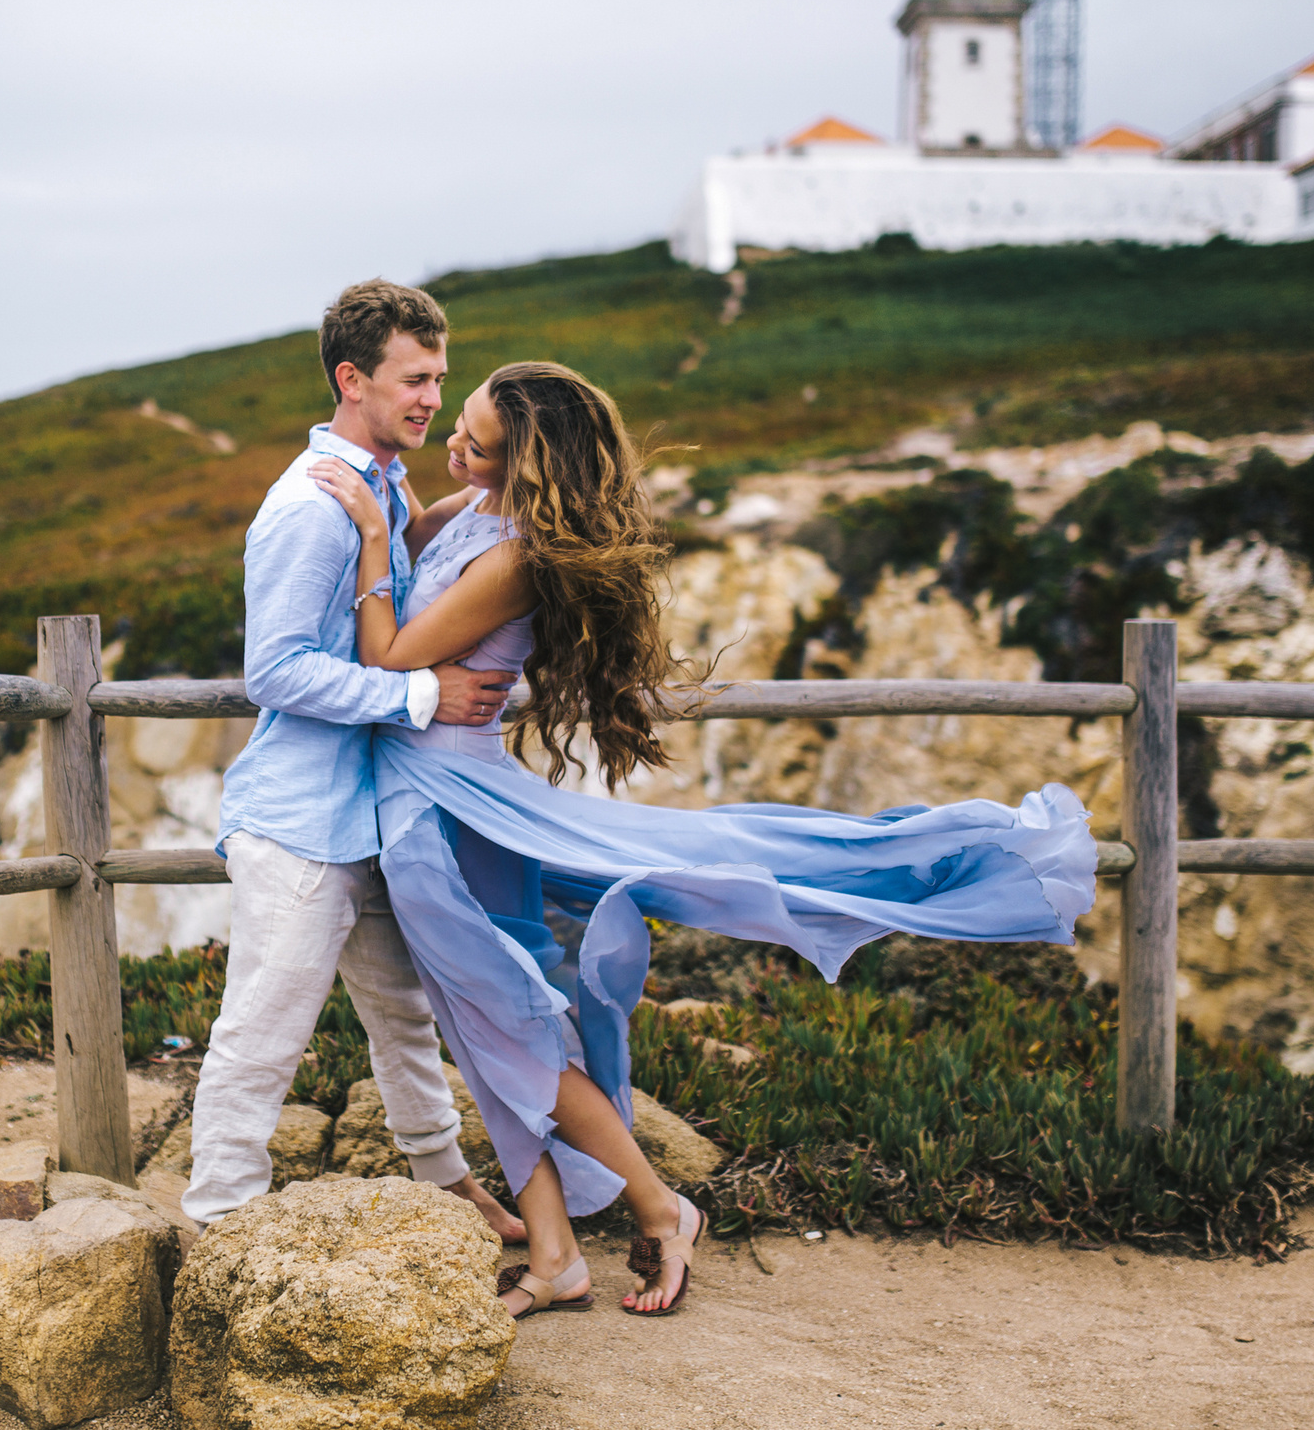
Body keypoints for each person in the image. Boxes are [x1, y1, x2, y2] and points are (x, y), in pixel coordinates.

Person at [307, 361, 1096, 1317]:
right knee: (486, 1038)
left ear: (527, 464)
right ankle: (555, 1255)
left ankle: (658, 1205)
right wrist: (380, 494)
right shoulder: (469, 511)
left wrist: (377, 532)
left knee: (514, 1039)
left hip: (450, 816)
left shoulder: (514, 556)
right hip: (423, 802)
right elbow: (401, 523)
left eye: (474, 438)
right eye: (458, 423)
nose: (452, 444)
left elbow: (390, 653)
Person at [184, 279, 526, 1239]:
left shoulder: (377, 486)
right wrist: (422, 695)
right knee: (262, 1032)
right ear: (351, 379)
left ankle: (445, 1178)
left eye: (439, 379)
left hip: (369, 811)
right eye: (413, 380)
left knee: (403, 1015)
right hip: (298, 821)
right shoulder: (309, 506)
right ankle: (219, 1221)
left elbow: (399, 587)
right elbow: (277, 671)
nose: (429, 398)